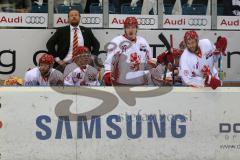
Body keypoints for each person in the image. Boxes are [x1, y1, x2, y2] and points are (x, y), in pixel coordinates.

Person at [103, 16, 153, 86]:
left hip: (140, 82)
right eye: (128, 27)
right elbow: (109, 61)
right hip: (121, 82)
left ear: (136, 28)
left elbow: (149, 61)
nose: (130, 30)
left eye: (133, 27)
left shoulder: (143, 42)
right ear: (124, 29)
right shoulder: (117, 41)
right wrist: (108, 72)